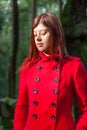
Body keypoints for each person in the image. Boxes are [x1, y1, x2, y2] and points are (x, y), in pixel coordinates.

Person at [13, 12, 87, 130]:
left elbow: (85, 108)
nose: (38, 38)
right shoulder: (28, 66)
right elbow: (22, 107)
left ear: (55, 34)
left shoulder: (73, 66)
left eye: (43, 33)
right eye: (35, 34)